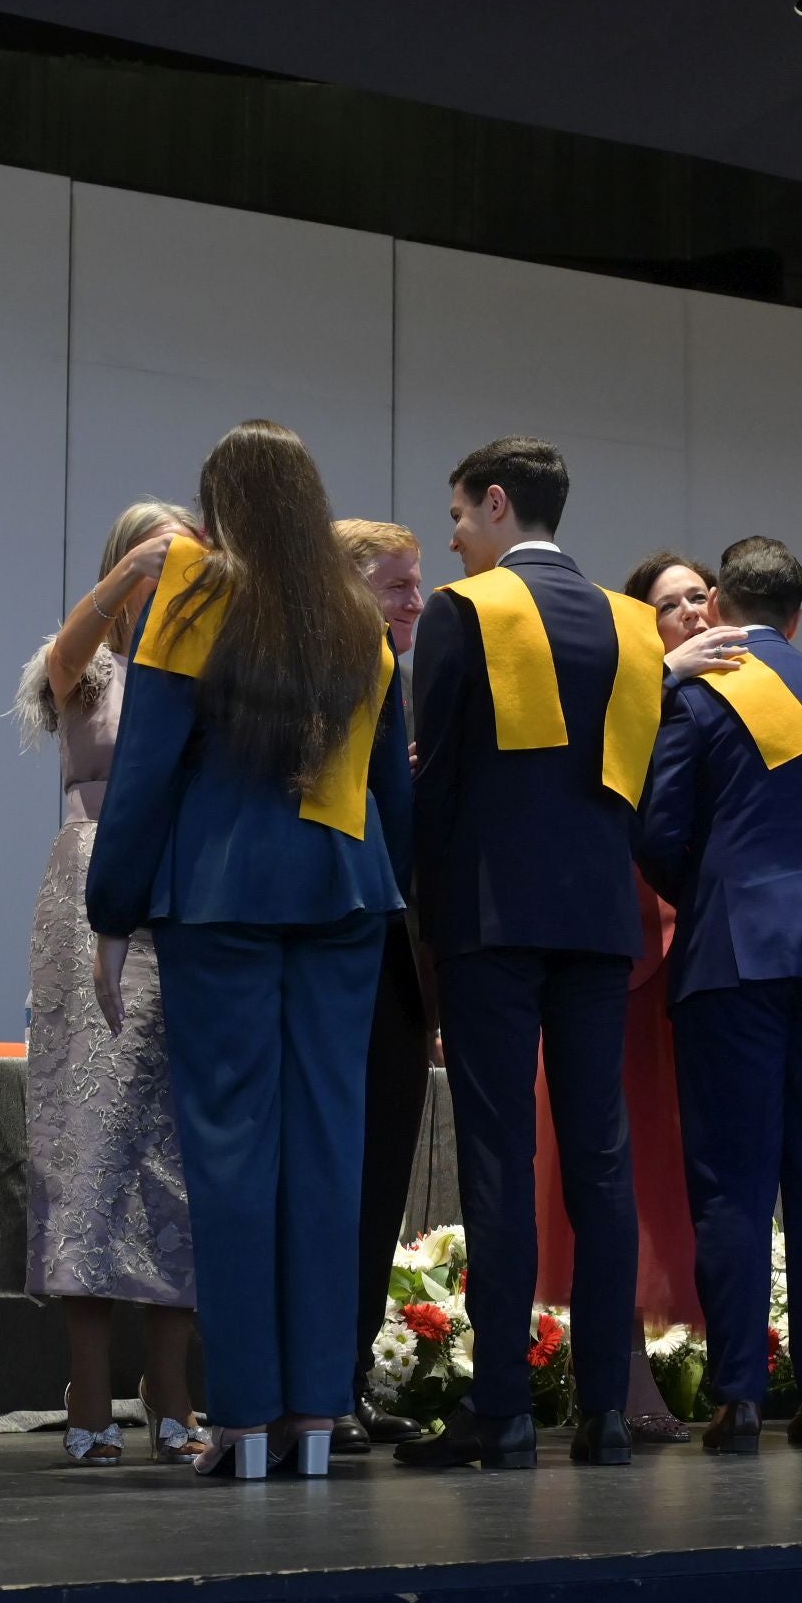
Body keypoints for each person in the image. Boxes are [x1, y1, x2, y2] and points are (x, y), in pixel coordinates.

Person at [87, 420, 408, 1480]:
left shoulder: (192, 595)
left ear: (222, 504)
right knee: (328, 1156)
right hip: (346, 898)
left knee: (229, 1158)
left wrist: (110, 913)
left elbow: (143, 772)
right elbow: (388, 797)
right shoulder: (361, 619)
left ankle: (243, 1420)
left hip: (220, 897)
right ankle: (315, 1419)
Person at [398, 438, 663, 1472]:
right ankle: (603, 1411)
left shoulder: (469, 613)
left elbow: (442, 784)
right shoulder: (636, 629)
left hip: (492, 919)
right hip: (600, 918)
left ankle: (504, 1409)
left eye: (460, 516)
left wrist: (421, 917)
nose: (456, 537)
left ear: (498, 505)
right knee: (601, 1162)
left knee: (501, 1163)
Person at [636, 537, 802, 1451]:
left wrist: (709, 896)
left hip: (737, 953)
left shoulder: (700, 689)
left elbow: (659, 830)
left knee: (735, 1181)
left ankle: (740, 1398)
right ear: (798, 615)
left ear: (718, 608)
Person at [17, 498, 207, 1467]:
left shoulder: (203, 671)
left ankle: (170, 1383)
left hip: (185, 895)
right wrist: (129, 574)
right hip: (90, 886)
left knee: (174, 1143)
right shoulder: (90, 663)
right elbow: (61, 657)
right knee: (88, 1142)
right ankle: (87, 1383)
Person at [529, 549, 722, 1446]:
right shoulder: (626, 684)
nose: (689, 611)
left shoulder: (733, 699)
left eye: (699, 597)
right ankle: (623, 1377)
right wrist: (659, 678)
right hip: (620, 947)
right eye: (670, 602)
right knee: (615, 1170)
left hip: (698, 958)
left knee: (675, 1173)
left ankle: (679, 1366)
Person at [336, 517, 434, 1451]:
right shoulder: (343, 667)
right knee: (348, 1182)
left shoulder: (398, 678)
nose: (414, 602)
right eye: (397, 585)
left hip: (395, 958)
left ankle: (349, 1377)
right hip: (349, 950)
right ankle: (328, 1382)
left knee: (378, 1188)